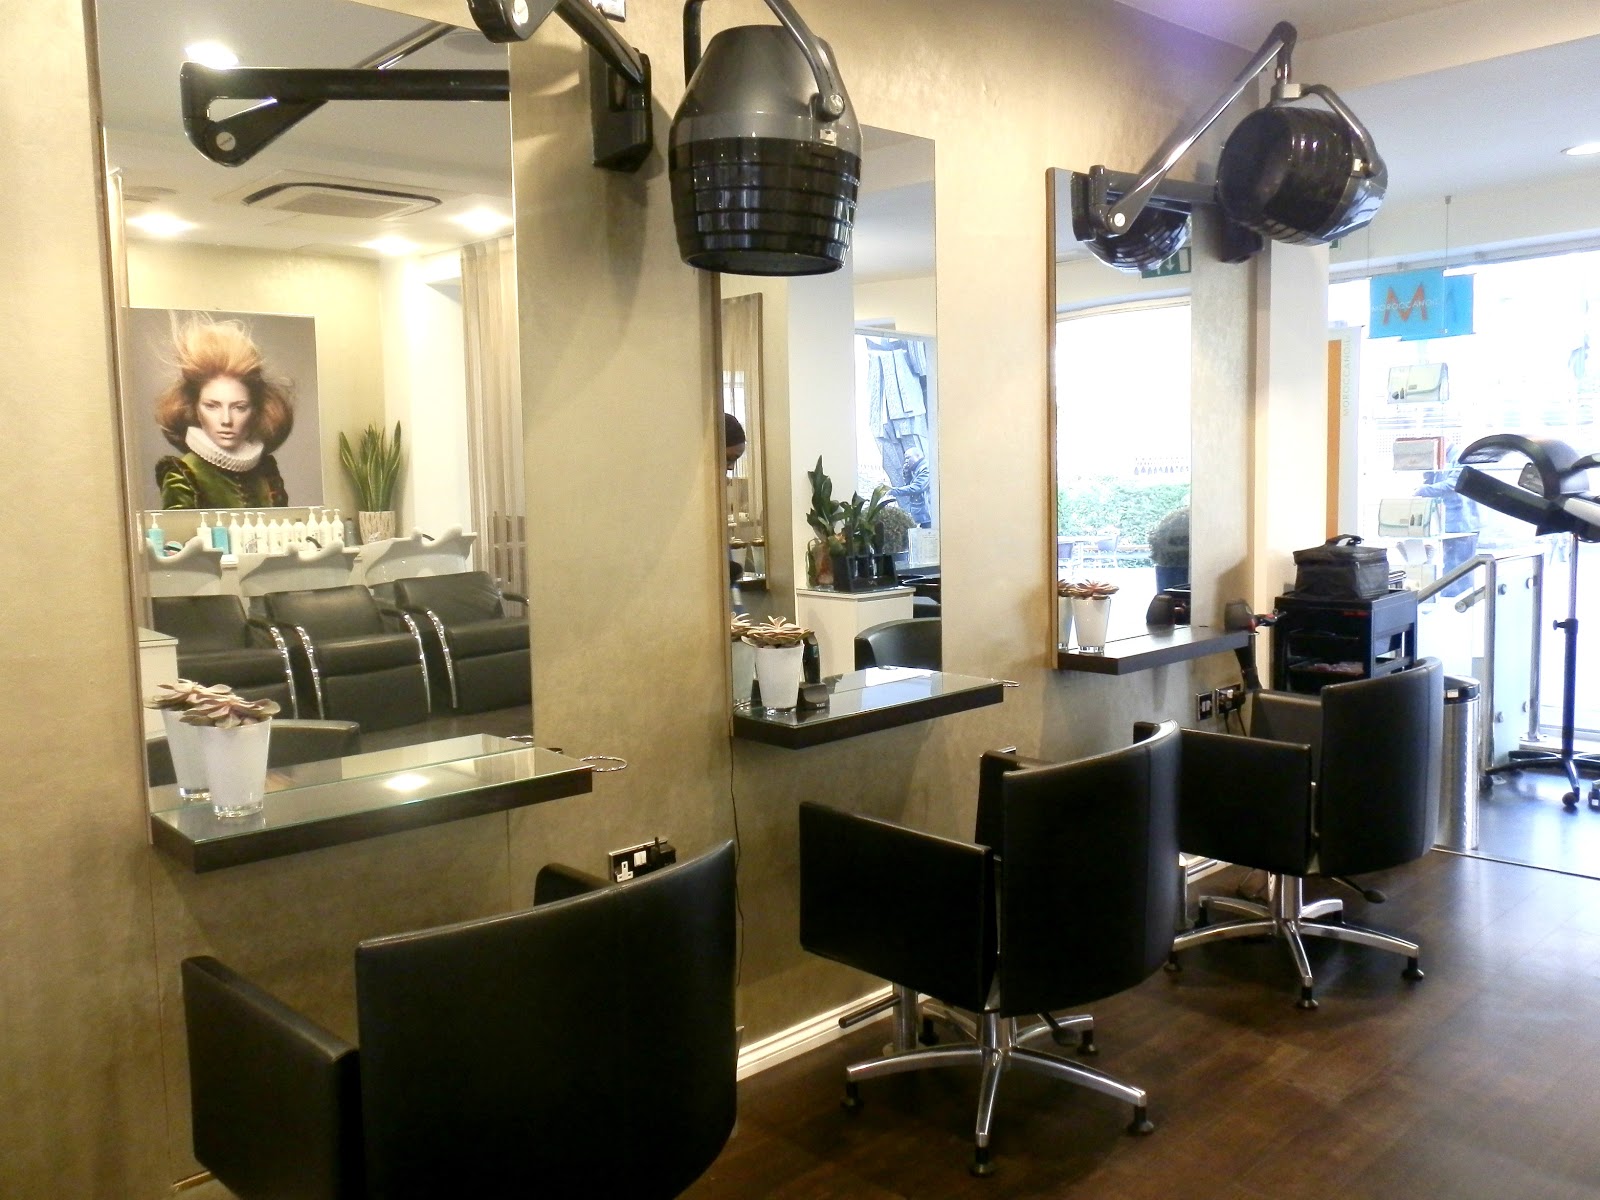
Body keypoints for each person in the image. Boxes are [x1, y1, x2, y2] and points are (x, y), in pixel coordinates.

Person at [154, 318, 294, 509]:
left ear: (254, 412)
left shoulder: (266, 473)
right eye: (212, 406)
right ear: (195, 409)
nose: (226, 420)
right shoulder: (183, 474)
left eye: (239, 407)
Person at [888, 447, 931, 527]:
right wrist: (906, 473)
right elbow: (909, 485)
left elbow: (917, 487)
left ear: (918, 456)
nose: (906, 461)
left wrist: (893, 491)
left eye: (908, 458)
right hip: (921, 515)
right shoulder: (916, 469)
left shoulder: (925, 468)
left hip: (927, 514)